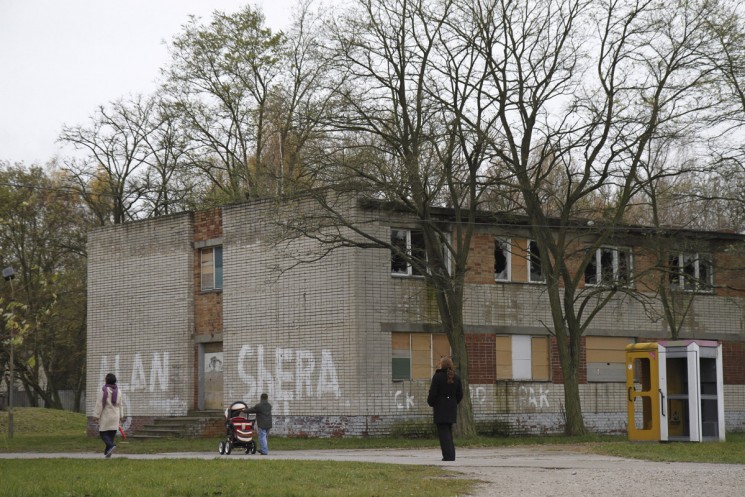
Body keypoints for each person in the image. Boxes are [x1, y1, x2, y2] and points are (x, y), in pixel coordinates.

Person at [427, 356, 463, 461]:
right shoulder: (456, 377)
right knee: (448, 432)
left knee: (443, 433)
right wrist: (453, 402)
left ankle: (448, 456)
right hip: (451, 407)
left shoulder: (437, 377)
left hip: (440, 408)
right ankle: (451, 454)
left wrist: (431, 402)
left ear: (441, 365)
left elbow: (433, 393)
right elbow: (460, 394)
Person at [93, 373, 124, 458]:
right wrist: (121, 416)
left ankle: (111, 446)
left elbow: (99, 404)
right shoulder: (119, 391)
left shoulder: (103, 390)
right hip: (116, 416)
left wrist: (96, 416)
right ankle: (108, 453)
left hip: (106, 415)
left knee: (103, 433)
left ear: (106, 380)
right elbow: (121, 404)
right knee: (111, 435)